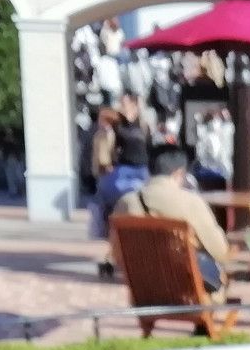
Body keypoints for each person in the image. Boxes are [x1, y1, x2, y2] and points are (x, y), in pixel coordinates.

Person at [113, 145, 235, 298]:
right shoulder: (192, 202)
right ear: (179, 173)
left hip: (145, 294)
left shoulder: (126, 202)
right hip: (189, 296)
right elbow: (220, 251)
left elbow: (117, 254)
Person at [93, 95, 154, 277]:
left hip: (141, 170)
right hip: (122, 172)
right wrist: (106, 164)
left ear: (135, 106)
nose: (123, 107)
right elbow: (103, 137)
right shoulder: (115, 124)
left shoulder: (143, 125)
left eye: (126, 104)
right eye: (122, 104)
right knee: (122, 212)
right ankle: (116, 254)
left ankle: (133, 253)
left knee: (141, 212)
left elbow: (149, 148)